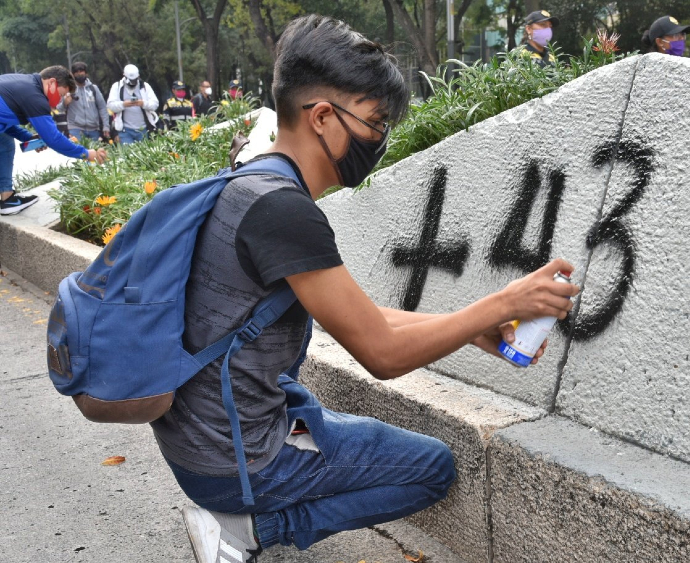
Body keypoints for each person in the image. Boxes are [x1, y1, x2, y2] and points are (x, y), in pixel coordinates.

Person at [155, 15, 579, 562]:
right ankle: (247, 529)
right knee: (430, 468)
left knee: (329, 419)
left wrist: (475, 330)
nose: (380, 139)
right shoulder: (283, 212)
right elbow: (382, 354)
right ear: (323, 117)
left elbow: (359, 317)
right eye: (375, 121)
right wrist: (507, 300)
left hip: (202, 440)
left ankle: (243, 508)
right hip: (237, 460)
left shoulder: (251, 183)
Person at [0, 66, 107, 215]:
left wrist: (29, 138)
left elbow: (4, 124)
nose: (60, 100)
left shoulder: (25, 85)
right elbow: (54, 139)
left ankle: (7, 198)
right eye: (61, 94)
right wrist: (87, 154)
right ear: (51, 83)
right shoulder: (35, 97)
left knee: (5, 142)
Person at [106, 64, 159, 144]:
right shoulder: (117, 86)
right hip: (125, 130)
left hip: (143, 129)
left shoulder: (145, 86)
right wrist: (123, 104)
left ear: (138, 77)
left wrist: (143, 103)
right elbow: (110, 105)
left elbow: (155, 104)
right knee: (127, 152)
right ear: (124, 76)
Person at [57, 62, 110, 141]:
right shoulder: (68, 89)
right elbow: (59, 108)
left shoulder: (93, 88)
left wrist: (106, 126)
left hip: (94, 129)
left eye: (81, 71)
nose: (79, 74)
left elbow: (102, 107)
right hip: (75, 129)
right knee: (78, 149)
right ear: (72, 75)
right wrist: (65, 102)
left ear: (86, 73)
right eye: (76, 72)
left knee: (95, 149)